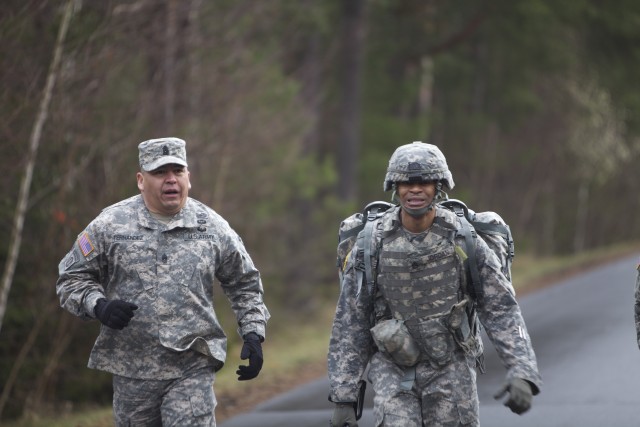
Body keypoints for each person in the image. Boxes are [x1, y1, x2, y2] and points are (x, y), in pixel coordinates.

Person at [56, 137, 270, 426]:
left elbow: (244, 282)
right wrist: (99, 306)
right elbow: (71, 278)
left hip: (191, 367)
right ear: (141, 180)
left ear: (188, 178)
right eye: (160, 173)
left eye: (177, 171)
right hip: (133, 370)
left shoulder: (212, 227)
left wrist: (253, 333)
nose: (171, 180)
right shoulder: (110, 225)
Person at [328, 141, 541, 426]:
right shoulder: (372, 242)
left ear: (438, 186)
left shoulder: (463, 238)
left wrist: (522, 370)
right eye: (406, 182)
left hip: (451, 368)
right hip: (392, 369)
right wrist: (344, 396)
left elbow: (500, 307)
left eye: (424, 182)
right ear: (395, 186)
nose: (414, 189)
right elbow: (351, 320)